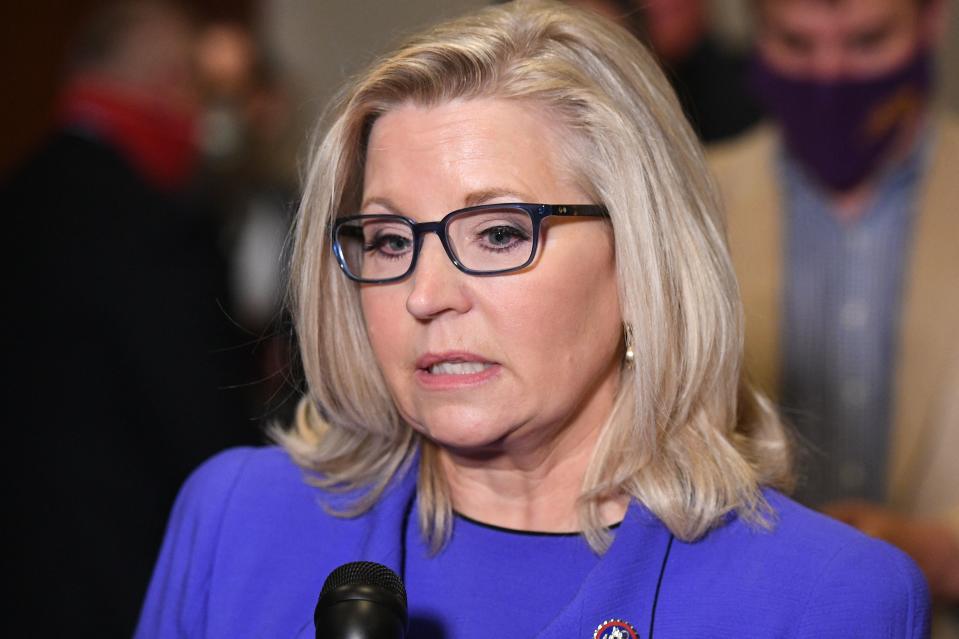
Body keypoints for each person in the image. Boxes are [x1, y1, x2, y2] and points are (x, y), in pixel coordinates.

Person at [135, 2, 930, 637]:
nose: (425, 293)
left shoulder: (829, 596)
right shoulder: (236, 520)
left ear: (642, 259)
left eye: (500, 233)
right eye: (386, 239)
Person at [2, 2, 260, 635]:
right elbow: (204, 430)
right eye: (195, 88)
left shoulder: (18, 196)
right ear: (172, 83)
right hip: (117, 580)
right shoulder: (150, 227)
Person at [708, 0, 959, 633]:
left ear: (932, 22)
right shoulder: (694, 200)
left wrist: (940, 555)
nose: (831, 74)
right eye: (796, 44)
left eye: (867, 41)